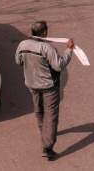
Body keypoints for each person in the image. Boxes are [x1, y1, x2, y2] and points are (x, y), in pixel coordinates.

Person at [14, 21, 73, 160]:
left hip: (32, 85)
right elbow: (59, 66)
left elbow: (19, 61)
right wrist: (68, 50)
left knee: (39, 111)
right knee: (51, 115)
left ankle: (44, 132)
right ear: (44, 32)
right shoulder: (47, 48)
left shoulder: (22, 45)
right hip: (48, 86)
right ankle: (47, 147)